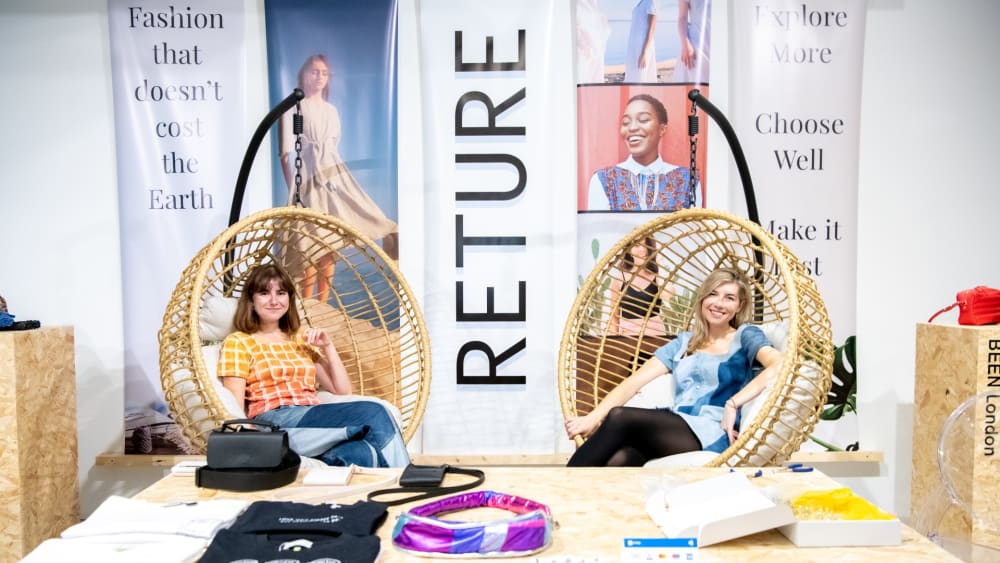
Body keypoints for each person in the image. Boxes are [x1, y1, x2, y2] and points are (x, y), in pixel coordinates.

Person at [565, 267, 783, 466]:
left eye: (729, 298)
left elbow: (780, 364)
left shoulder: (745, 335)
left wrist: (733, 403)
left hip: (714, 430)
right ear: (703, 298)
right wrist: (592, 418)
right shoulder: (683, 343)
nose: (718, 303)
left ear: (739, 306)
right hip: (676, 427)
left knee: (620, 417)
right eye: (713, 294)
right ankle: (577, 495)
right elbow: (633, 383)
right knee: (623, 458)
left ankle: (558, 488)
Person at [218, 263, 409, 468]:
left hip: (311, 416)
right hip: (275, 421)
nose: (274, 300)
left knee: (362, 452)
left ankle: (351, 484)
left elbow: (342, 390)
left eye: (281, 293)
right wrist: (255, 445)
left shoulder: (299, 338)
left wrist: (328, 346)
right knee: (374, 412)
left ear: (289, 298)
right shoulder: (239, 342)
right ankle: (409, 478)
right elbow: (234, 406)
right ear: (251, 299)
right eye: (264, 293)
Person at [280, 54, 399, 302]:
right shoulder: (293, 108)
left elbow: (333, 149)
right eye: (315, 71)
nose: (319, 77)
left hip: (332, 179)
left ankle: (322, 305)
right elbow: (286, 154)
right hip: (307, 182)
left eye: (324, 73)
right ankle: (307, 305)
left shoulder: (331, 111)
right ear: (303, 74)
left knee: (329, 245)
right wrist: (294, 189)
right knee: (308, 245)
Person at [587, 94, 698, 211]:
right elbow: (598, 223)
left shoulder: (688, 180)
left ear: (662, 129)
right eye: (626, 122)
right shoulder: (604, 180)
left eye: (643, 120)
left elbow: (695, 222)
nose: (632, 128)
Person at [610, 236, 675, 336]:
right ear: (629, 250)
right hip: (628, 338)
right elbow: (614, 317)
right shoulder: (619, 279)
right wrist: (613, 342)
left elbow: (667, 295)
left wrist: (660, 263)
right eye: (637, 245)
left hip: (655, 337)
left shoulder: (658, 276)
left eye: (646, 245)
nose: (642, 250)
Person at [671, 0, 711, 84]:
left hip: (721, 43)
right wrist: (685, 43)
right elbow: (682, 18)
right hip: (696, 47)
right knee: (696, 86)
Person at [575, 0, 610, 83]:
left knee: (595, 80)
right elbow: (575, 24)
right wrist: (583, 43)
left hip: (596, 49)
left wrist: (603, 24)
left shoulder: (594, 5)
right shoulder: (577, 4)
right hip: (584, 50)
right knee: (583, 78)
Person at [624, 0, 659, 83]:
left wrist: (644, 53)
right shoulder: (642, 2)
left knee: (641, 77)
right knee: (632, 76)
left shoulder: (651, 2)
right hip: (634, 46)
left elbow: (651, 29)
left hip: (642, 46)